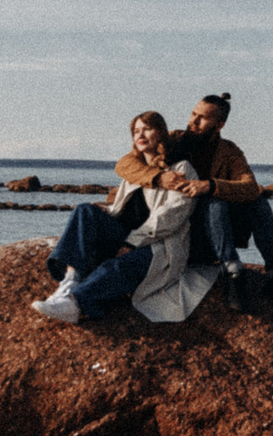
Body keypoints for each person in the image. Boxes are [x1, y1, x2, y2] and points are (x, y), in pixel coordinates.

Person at [114, 92, 273, 317]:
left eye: (202, 118)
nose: (193, 122)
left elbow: (250, 187)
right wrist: (159, 177)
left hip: (213, 233)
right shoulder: (172, 140)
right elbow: (124, 164)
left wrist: (210, 185)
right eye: (193, 114)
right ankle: (232, 272)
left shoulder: (229, 151)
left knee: (256, 203)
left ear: (219, 124)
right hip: (178, 230)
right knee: (214, 202)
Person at [32, 113, 217, 324]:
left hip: (158, 245)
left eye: (147, 129)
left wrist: (132, 243)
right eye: (136, 131)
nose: (141, 134)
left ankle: (75, 304)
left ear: (161, 133)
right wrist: (106, 211)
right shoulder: (137, 168)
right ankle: (69, 283)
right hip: (125, 234)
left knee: (118, 266)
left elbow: (171, 216)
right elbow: (126, 206)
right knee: (84, 211)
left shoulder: (181, 169)